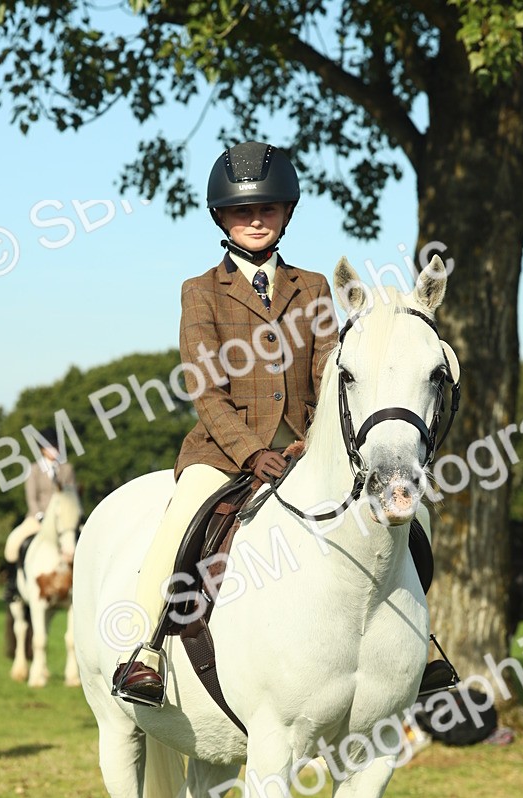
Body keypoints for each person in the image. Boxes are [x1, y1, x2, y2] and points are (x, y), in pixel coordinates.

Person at [112, 141, 339, 704]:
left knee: (391, 512)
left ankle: (425, 645)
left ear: (287, 212)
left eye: (267, 208)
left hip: (308, 451)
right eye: (242, 211)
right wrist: (248, 453)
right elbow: (205, 390)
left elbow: (331, 373)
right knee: (179, 529)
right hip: (222, 453)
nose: (255, 219)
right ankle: (145, 652)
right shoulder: (201, 292)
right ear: (222, 217)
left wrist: (312, 444)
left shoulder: (312, 287)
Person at [2, 427, 77, 602]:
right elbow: (31, 497)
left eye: (57, 446)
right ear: (42, 449)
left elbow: (72, 497)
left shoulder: (67, 469)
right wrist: (39, 515)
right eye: (51, 446)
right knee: (12, 544)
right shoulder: (33, 470)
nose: (55, 450)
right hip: (37, 518)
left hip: (63, 521)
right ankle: (12, 586)